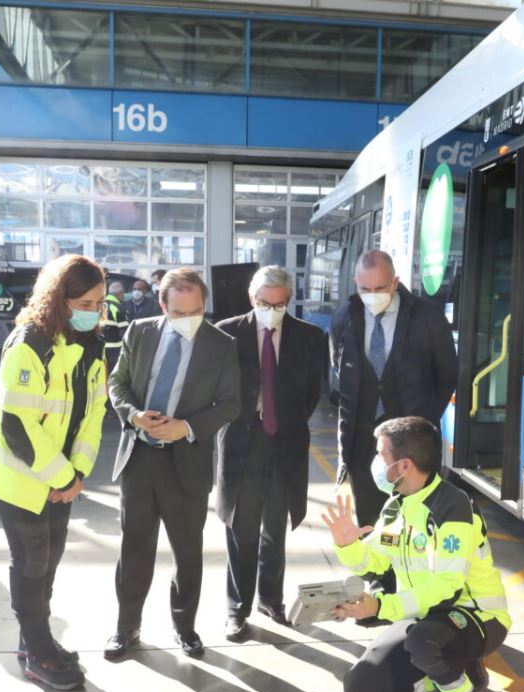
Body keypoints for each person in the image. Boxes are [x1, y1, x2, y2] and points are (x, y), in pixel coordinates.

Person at [322, 416, 511, 692]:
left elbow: (447, 588)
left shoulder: (452, 507)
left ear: (404, 465)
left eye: (381, 454)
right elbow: (375, 562)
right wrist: (349, 544)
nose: (376, 463)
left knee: (425, 643)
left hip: (476, 617)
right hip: (425, 616)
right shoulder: (396, 507)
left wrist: (382, 606)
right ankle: (451, 670)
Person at [0, 255, 109, 691]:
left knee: (50, 559)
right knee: (32, 561)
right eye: (84, 301)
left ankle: (35, 642)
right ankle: (38, 649)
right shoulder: (28, 342)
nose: (94, 311)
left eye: (100, 302)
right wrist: (63, 479)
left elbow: (92, 415)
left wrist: (76, 473)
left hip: (61, 479)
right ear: (58, 300)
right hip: (16, 475)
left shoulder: (92, 347)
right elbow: (17, 425)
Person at [105, 268, 240, 660]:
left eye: (198, 311)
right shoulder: (140, 332)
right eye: (181, 313)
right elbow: (118, 383)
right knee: (134, 550)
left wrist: (187, 427)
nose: (191, 320)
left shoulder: (220, 344)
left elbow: (231, 403)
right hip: (140, 460)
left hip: (187, 464)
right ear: (163, 306)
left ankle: (185, 627)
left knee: (187, 553)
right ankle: (125, 628)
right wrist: (133, 415)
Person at [215, 265, 327, 640]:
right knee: (241, 529)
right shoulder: (226, 334)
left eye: (280, 304)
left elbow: (313, 393)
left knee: (274, 529)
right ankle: (237, 608)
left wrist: (280, 420)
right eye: (265, 303)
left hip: (284, 444)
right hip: (241, 445)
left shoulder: (310, 337)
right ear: (252, 298)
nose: (272, 310)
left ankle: (270, 598)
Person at [330, 250, 457, 527]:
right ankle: (377, 571)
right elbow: (341, 371)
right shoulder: (344, 319)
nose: (372, 294)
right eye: (365, 288)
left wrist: (423, 417)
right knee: (370, 519)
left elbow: (447, 375)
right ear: (356, 283)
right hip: (362, 440)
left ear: (395, 282)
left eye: (380, 288)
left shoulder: (427, 318)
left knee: (413, 520)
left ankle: (407, 572)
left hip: (412, 442)